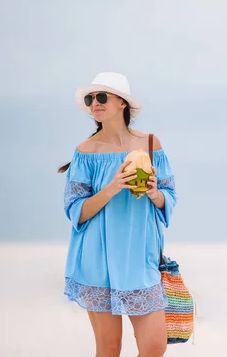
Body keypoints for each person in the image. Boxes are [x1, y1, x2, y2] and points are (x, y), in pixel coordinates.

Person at [58, 72, 177, 357]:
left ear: (122, 103)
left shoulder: (150, 144)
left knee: (154, 346)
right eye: (90, 99)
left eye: (102, 97)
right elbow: (76, 211)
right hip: (97, 260)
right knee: (109, 349)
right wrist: (112, 188)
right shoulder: (85, 151)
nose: (94, 103)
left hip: (140, 257)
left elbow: (169, 196)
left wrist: (153, 193)